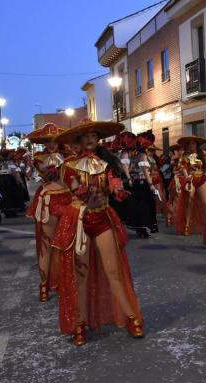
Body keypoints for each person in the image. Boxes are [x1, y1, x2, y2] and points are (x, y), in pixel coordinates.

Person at [52, 120, 144, 346]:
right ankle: (79, 323)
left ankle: (132, 317)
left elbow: (112, 186)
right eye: (86, 136)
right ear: (79, 141)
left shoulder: (106, 163)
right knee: (80, 276)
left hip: (102, 218)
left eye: (94, 135)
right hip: (80, 221)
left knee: (114, 272)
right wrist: (82, 192)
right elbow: (73, 192)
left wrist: (117, 190)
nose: (91, 139)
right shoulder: (69, 166)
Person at [26, 123, 72, 302]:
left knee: (66, 243)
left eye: (53, 140)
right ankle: (44, 285)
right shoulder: (40, 157)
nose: (51, 144)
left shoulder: (69, 156)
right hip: (49, 200)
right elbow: (46, 173)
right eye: (47, 141)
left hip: (67, 199)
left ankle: (63, 280)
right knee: (47, 245)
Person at [175, 136, 206, 236]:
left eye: (193, 143)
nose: (192, 145)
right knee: (190, 200)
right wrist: (187, 178)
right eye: (190, 143)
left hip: (201, 179)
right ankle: (186, 225)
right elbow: (182, 167)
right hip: (190, 179)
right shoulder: (185, 156)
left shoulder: (202, 154)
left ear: (197, 144)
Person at [126, 131, 158, 238]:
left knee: (138, 206)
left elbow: (130, 168)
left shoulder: (135, 154)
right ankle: (143, 229)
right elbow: (145, 171)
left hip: (136, 183)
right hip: (143, 183)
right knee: (145, 206)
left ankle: (140, 229)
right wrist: (150, 184)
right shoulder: (143, 154)